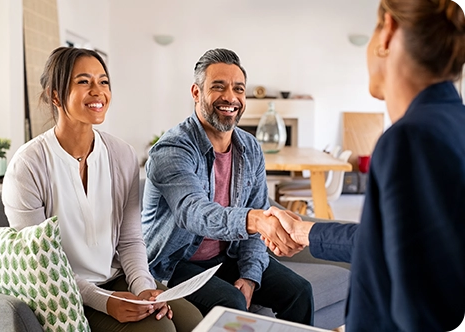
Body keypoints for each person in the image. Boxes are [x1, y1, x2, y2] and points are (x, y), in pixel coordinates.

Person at [263, 0, 465, 330]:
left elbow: (422, 311)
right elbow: (388, 245)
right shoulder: (452, 124)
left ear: (388, 31)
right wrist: (304, 231)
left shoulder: (411, 140)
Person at [2, 46, 203, 332]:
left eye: (103, 81)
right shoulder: (28, 165)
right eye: (84, 81)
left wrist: (144, 288)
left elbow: (131, 240)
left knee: (193, 320)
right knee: (159, 330)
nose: (98, 91)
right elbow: (40, 264)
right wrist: (104, 301)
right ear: (55, 95)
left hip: (114, 277)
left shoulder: (121, 154)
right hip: (62, 293)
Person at [141, 48, 313, 326]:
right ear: (196, 93)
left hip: (225, 256)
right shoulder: (172, 149)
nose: (230, 98)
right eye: (218, 87)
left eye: (238, 89)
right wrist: (254, 219)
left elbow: (256, 226)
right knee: (230, 303)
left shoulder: (250, 148)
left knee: (299, 292)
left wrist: (249, 276)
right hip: (175, 264)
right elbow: (193, 212)